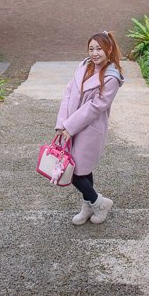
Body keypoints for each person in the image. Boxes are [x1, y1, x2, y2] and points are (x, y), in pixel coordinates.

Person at [54, 31, 125, 225]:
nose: (94, 53)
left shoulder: (112, 77)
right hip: (71, 125)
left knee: (77, 172)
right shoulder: (84, 66)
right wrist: (62, 123)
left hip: (90, 128)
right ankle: (89, 205)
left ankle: (100, 203)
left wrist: (70, 125)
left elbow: (96, 106)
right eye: (91, 48)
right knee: (82, 169)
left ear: (109, 50)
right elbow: (69, 92)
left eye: (99, 49)